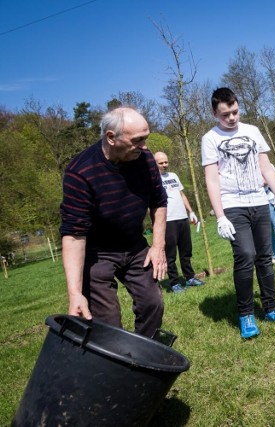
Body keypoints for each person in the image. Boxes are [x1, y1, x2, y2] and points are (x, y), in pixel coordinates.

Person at [60, 107, 167, 338]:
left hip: (136, 246)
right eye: (138, 140)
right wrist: (75, 293)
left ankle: (142, 357)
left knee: (152, 303)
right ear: (111, 137)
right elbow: (74, 235)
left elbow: (159, 202)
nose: (145, 147)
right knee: (107, 322)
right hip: (98, 254)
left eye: (146, 139)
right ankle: (113, 363)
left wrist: (158, 246)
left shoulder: (145, 159)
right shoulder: (81, 172)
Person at [202, 87, 275, 339]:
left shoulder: (252, 131)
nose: (231, 118)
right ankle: (246, 315)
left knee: (265, 256)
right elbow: (211, 179)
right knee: (245, 254)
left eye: (234, 112)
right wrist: (220, 216)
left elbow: (266, 166)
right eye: (225, 115)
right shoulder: (210, 138)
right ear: (215, 114)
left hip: (259, 201)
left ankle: (271, 308)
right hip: (232, 204)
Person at [154, 152, 204, 293]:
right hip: (167, 220)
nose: (165, 165)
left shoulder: (174, 176)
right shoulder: (153, 179)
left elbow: (182, 194)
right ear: (155, 163)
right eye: (161, 163)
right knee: (170, 254)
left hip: (182, 218)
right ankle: (174, 282)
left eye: (166, 162)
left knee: (186, 251)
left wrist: (191, 211)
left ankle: (190, 278)